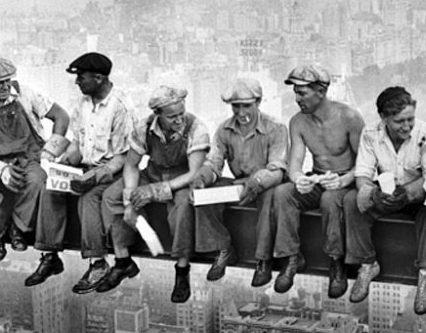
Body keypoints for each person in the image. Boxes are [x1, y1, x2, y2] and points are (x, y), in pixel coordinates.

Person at [24, 52, 132, 293]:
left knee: (88, 198)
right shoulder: (83, 104)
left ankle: (98, 262)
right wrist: (63, 164)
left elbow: (123, 156)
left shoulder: (120, 107)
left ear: (99, 77)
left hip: (112, 173)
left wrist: (96, 175)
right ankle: (50, 255)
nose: (77, 82)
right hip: (86, 167)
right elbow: (77, 144)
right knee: (50, 188)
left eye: (81, 77)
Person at [99, 85, 210, 302]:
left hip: (182, 178)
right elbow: (131, 165)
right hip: (153, 172)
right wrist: (130, 200)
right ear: (158, 115)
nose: (178, 120)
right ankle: (123, 259)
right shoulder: (144, 127)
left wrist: (154, 192)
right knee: (111, 196)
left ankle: (182, 269)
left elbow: (193, 172)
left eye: (181, 114)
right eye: (172, 117)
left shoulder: (197, 129)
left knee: (183, 206)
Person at [0, 57, 70, 262]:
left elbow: (61, 116)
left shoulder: (24, 93)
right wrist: (0, 170)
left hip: (29, 158)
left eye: (7, 80)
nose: (5, 86)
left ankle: (19, 230)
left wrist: (50, 152)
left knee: (36, 183)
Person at [344, 86, 426, 311]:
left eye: (410, 119)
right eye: (399, 121)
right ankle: (367, 263)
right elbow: (363, 173)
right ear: (383, 118)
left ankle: (425, 274)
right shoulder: (370, 134)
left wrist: (407, 194)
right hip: (386, 191)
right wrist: (373, 193)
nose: (406, 126)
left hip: (417, 193)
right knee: (351, 201)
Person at [272, 65, 364, 298]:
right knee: (283, 193)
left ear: (321, 92)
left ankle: (337, 263)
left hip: (346, 180)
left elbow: (366, 163)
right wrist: (299, 179)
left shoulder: (350, 118)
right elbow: (294, 163)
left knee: (330, 199)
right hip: (318, 176)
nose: (297, 99)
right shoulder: (298, 122)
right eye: (295, 92)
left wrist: (344, 180)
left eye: (302, 93)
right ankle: (291, 257)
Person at [193, 78, 287, 285]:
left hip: (266, 182)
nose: (241, 112)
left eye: (247, 106)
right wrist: (203, 177)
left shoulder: (276, 128)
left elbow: (277, 168)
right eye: (237, 107)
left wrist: (257, 181)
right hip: (240, 183)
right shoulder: (224, 130)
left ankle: (263, 259)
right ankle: (223, 247)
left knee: (269, 198)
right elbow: (215, 161)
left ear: (258, 102)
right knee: (204, 197)